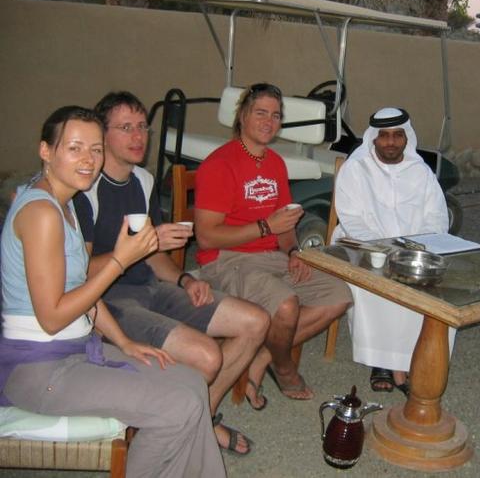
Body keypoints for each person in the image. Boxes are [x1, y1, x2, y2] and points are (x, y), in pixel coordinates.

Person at [0, 106, 226, 477]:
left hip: (75, 351)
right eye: (74, 148)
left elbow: (80, 288)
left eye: (95, 149)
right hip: (41, 369)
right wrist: (120, 261)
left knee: (190, 382)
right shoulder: (41, 213)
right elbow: (52, 317)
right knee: (177, 407)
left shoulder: (64, 205)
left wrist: (124, 342)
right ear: (46, 151)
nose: (88, 160)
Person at [74, 92, 269, 454]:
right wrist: (141, 245)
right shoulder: (85, 189)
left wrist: (186, 279)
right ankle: (181, 424)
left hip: (151, 287)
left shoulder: (144, 181)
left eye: (142, 127)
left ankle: (202, 417)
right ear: (102, 134)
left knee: (255, 322)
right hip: (108, 302)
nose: (138, 136)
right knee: (207, 357)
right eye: (126, 128)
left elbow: (154, 258)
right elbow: (78, 272)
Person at [194, 83, 352, 402]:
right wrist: (266, 226)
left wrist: (293, 252)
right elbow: (207, 236)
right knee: (286, 305)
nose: (269, 121)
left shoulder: (275, 163)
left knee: (339, 296)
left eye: (276, 115)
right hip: (227, 259)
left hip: (272, 257)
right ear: (242, 116)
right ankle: (284, 368)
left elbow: (284, 225)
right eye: (261, 113)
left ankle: (262, 356)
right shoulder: (219, 165)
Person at [331, 107, 456, 394]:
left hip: (414, 248)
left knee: (436, 287)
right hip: (363, 245)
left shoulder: (420, 171)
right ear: (373, 138)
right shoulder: (356, 168)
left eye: (397, 135)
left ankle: (414, 358)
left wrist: (418, 247)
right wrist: (385, 248)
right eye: (384, 136)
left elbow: (436, 217)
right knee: (376, 286)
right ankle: (382, 363)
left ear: (406, 138)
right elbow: (351, 219)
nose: (391, 142)